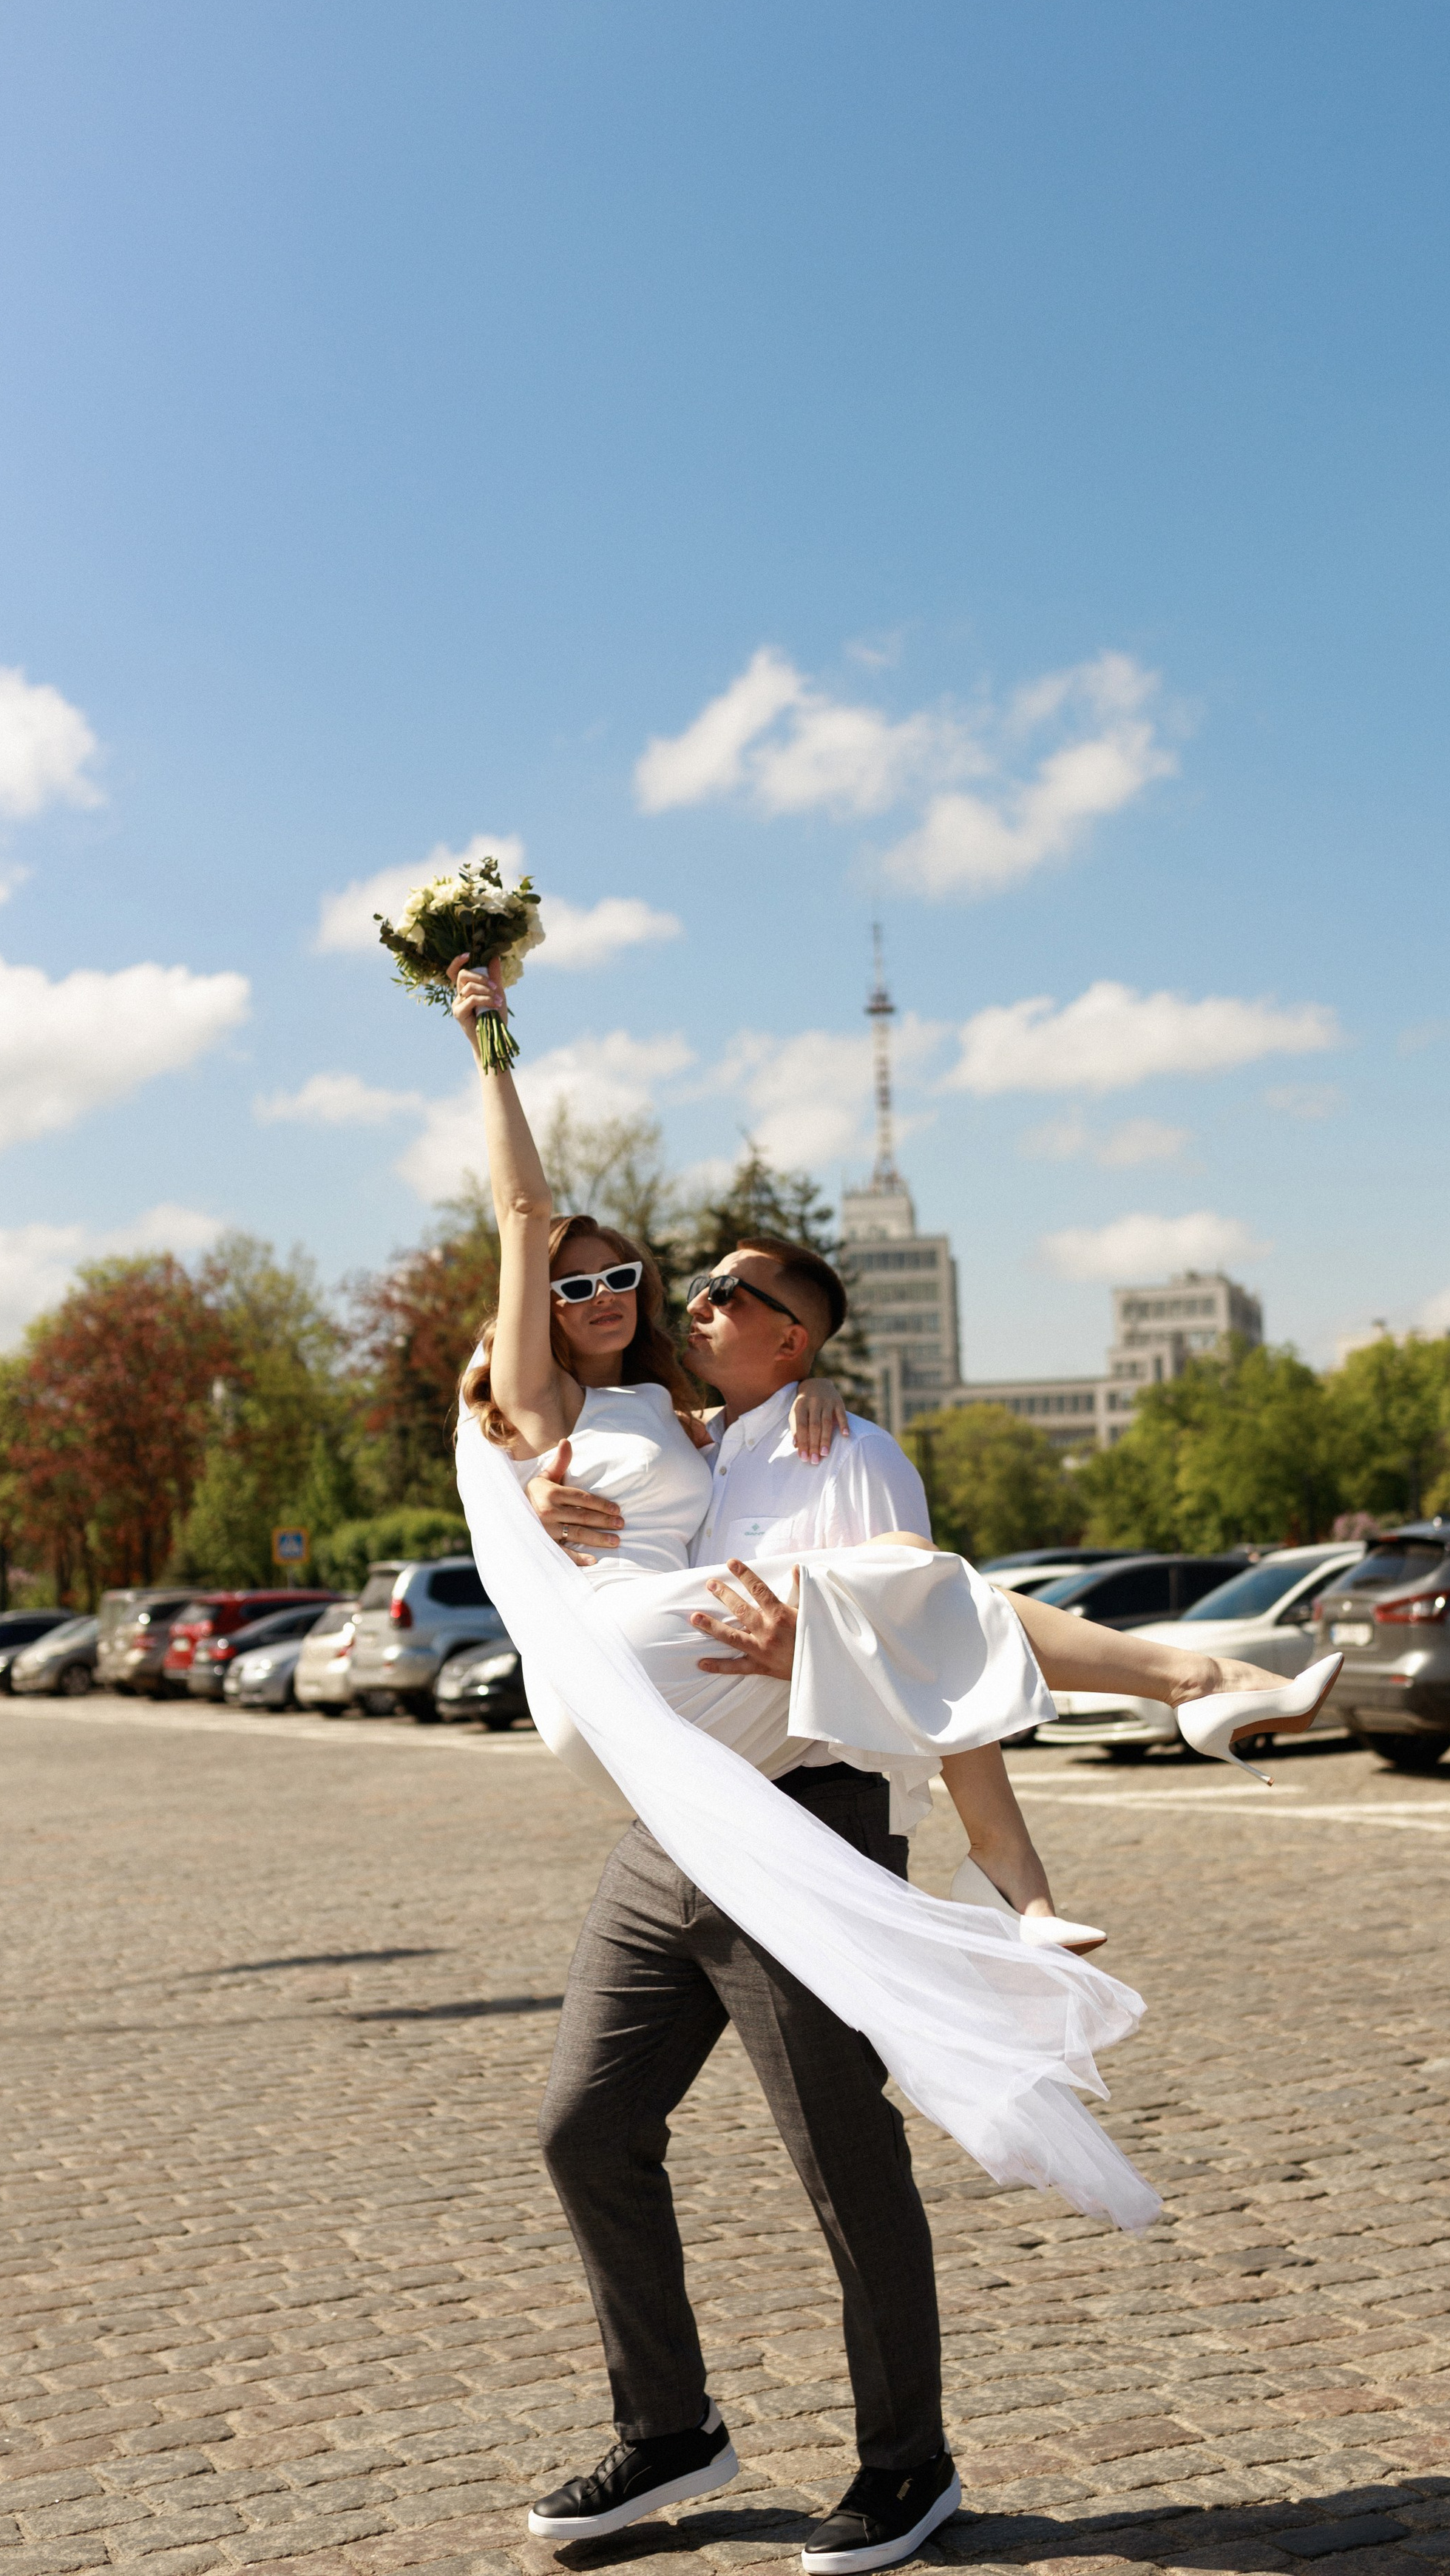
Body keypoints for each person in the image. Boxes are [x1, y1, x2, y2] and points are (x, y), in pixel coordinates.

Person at [444, 956, 1338, 2570]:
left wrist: (990, 1848)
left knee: (843, 2165)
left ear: (793, 1343)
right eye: (619, 1287)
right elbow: (537, 1358)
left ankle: (905, 2466)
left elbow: (935, 1678)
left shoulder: (836, 1444)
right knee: (583, 2128)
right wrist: (546, 1489)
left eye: (651, 1281)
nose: (644, 1301)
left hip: (808, 1815)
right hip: (673, 1827)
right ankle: (670, 2433)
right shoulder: (674, 1433)